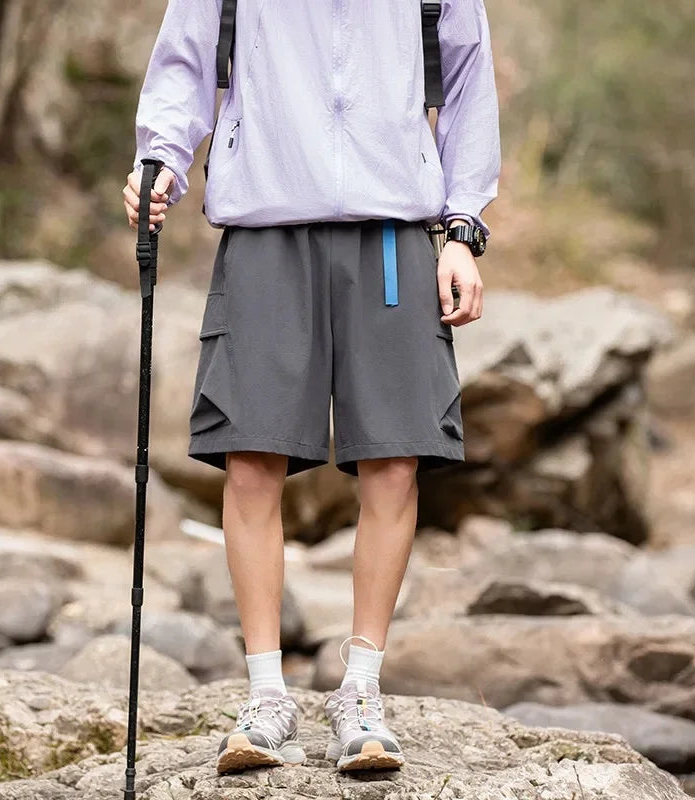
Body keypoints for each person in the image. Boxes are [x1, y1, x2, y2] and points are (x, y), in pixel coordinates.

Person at [124, 0, 499, 775]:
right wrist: (159, 159)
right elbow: (185, 57)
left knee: (394, 459)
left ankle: (361, 692)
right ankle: (267, 698)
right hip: (264, 225)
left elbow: (468, 79)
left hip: (393, 227)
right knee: (250, 457)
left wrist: (463, 227)